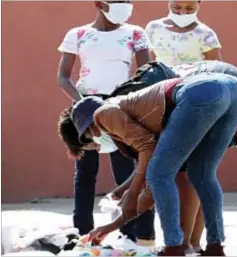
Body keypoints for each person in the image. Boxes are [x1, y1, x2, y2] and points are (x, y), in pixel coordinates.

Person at [60, 60, 237, 256]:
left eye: (91, 141)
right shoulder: (139, 116)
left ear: (89, 128)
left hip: (203, 91)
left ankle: (173, 247)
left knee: (160, 175)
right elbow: (151, 182)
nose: (97, 144)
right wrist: (113, 224)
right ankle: (215, 247)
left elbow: (150, 158)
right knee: (202, 174)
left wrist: (132, 192)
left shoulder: (103, 113)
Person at [57, 0, 155, 245]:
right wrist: (85, 106)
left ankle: (130, 233)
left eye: (128, 1)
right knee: (85, 171)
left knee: (125, 171)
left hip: (120, 108)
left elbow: (146, 72)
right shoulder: (78, 34)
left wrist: (122, 103)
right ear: (99, 4)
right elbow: (63, 77)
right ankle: (83, 232)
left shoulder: (135, 33)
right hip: (85, 109)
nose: (125, 6)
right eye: (118, 1)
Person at [145, 1, 222, 252]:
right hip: (163, 104)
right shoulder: (154, 29)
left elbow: (216, 72)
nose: (182, 13)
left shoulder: (206, 34)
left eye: (190, 7)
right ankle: (184, 240)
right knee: (174, 175)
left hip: (197, 107)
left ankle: (190, 242)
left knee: (193, 175)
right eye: (177, 6)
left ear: (199, 4)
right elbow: (150, 67)